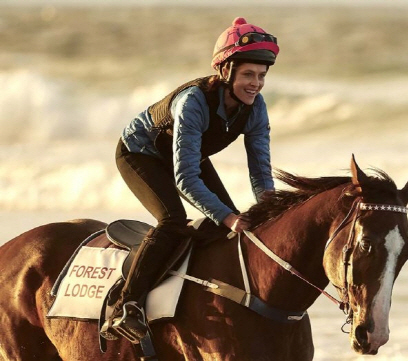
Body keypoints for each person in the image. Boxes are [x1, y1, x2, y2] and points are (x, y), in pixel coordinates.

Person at [100, 17, 279, 341]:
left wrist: (270, 209)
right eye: (248, 75)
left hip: (183, 156)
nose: (256, 83)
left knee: (222, 225)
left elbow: (261, 172)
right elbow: (185, 178)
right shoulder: (193, 101)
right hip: (140, 154)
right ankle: (125, 305)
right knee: (173, 220)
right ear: (225, 72)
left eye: (262, 76)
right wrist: (228, 217)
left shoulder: (256, 108)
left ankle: (186, 291)